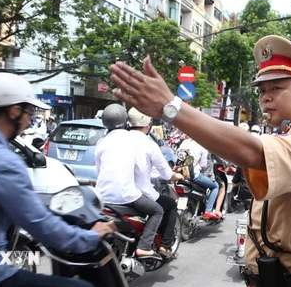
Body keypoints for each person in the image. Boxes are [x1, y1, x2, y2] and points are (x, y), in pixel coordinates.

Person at [108, 34, 291, 287]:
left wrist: (172, 108)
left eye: (276, 88)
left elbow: (250, 151)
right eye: (262, 90)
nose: (265, 98)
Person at [0, 72, 116, 287]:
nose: (30, 119)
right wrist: (90, 236)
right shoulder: (4, 162)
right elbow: (42, 226)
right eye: (29, 112)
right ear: (14, 111)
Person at [94, 104, 163, 260]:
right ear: (125, 121)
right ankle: (144, 247)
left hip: (102, 197)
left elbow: (99, 170)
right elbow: (141, 169)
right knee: (157, 211)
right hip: (126, 195)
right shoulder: (132, 140)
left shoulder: (101, 142)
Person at [127, 108, 183, 258]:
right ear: (148, 125)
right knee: (169, 204)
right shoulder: (149, 144)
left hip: (111, 192)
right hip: (138, 194)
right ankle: (165, 246)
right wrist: (176, 176)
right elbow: (165, 173)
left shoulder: (119, 140)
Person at [180, 136, 225, 219]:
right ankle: (208, 210)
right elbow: (203, 165)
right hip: (195, 175)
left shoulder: (184, 142)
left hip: (182, 174)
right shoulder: (203, 146)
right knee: (216, 186)